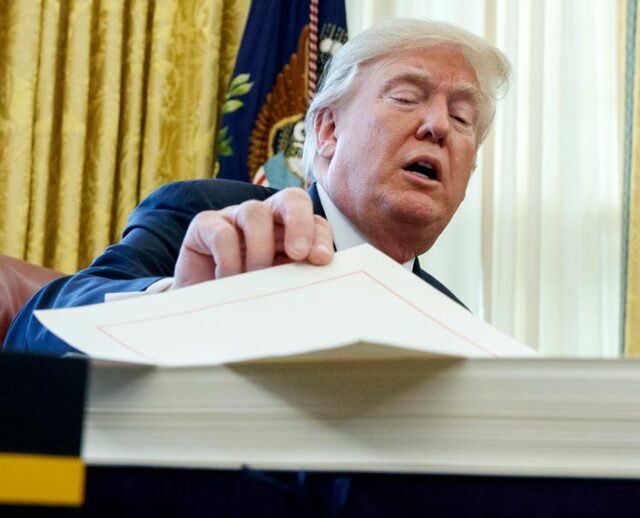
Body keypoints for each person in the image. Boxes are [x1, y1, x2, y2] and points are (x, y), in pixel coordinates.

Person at [4, 18, 510, 356]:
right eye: (405, 97)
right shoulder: (205, 216)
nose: (438, 126)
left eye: (462, 118)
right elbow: (37, 327)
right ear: (328, 131)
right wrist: (177, 304)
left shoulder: (454, 328)